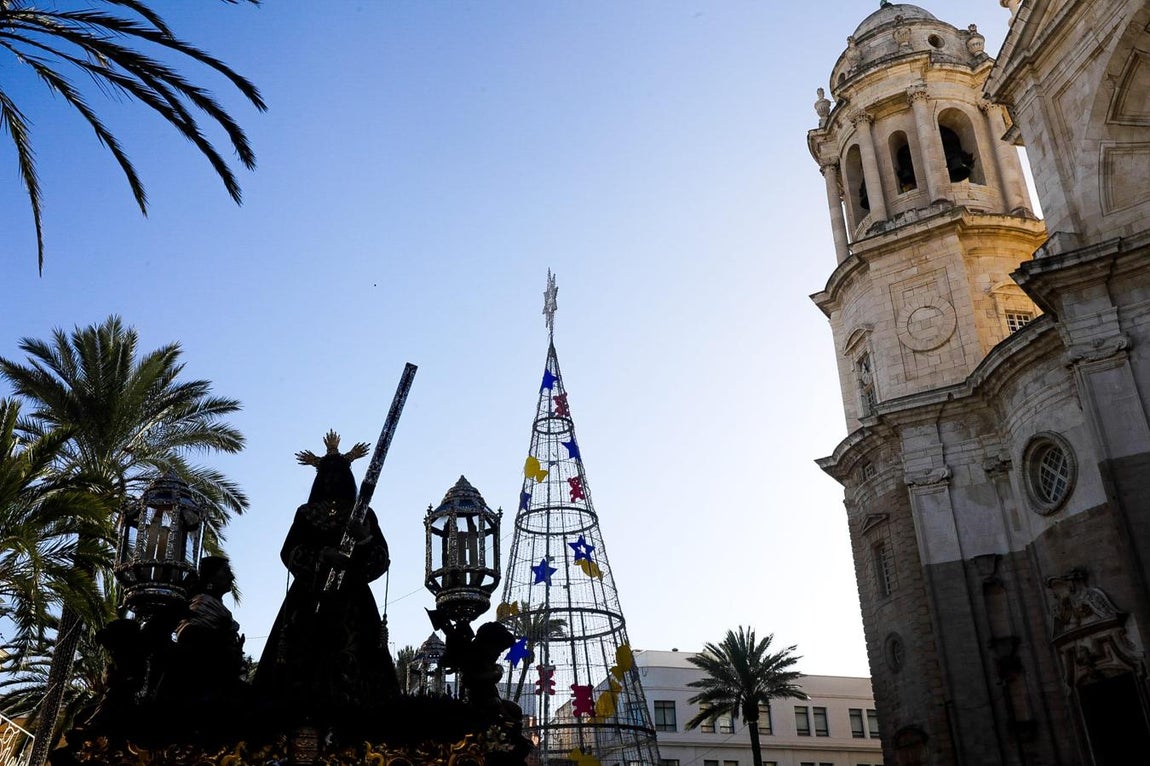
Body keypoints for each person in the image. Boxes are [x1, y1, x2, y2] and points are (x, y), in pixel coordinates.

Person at [254, 431, 398, 726]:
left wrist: (366, 539)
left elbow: (382, 558)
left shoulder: (363, 514)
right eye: (328, 473)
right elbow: (289, 551)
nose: (333, 479)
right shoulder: (306, 513)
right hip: (309, 595)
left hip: (353, 598)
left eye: (339, 473)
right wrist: (320, 556)